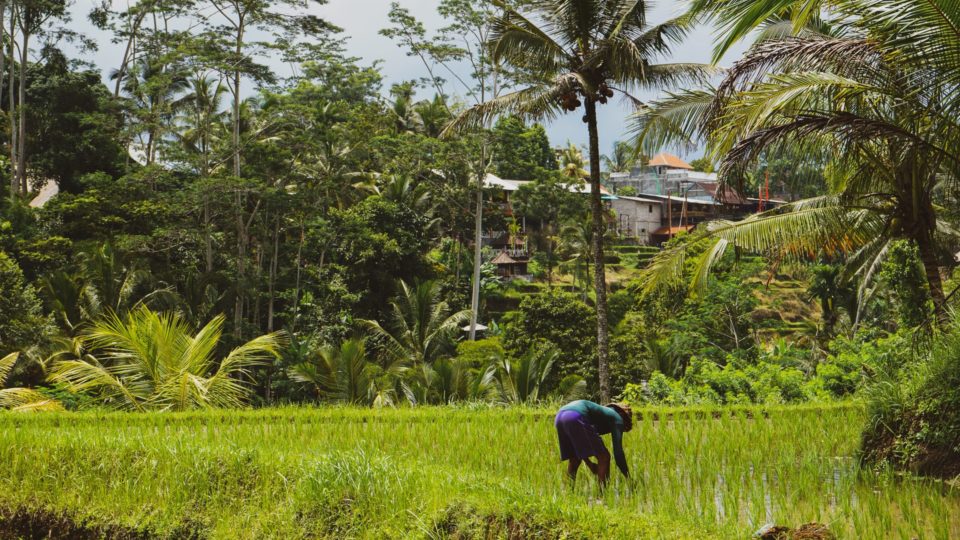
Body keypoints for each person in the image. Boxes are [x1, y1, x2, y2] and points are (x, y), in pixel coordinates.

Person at [554, 400, 633, 487]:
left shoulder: (600, 415)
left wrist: (590, 464)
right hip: (576, 415)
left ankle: (568, 493)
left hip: (559, 416)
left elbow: (580, 447)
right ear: (622, 415)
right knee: (604, 457)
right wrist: (629, 479)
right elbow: (618, 454)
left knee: (574, 458)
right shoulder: (617, 418)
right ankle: (602, 494)